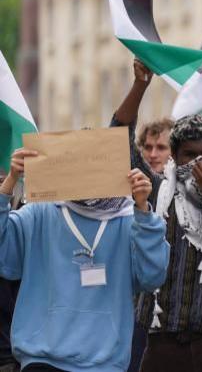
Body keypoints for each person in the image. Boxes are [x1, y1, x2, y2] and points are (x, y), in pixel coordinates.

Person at [0, 147, 169, 372]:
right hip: (42, 359)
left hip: (105, 363)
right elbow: (4, 256)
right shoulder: (39, 212)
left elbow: (152, 277)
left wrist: (143, 210)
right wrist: (10, 182)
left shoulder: (132, 222)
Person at [134, 114, 202, 372]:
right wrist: (140, 85)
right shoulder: (159, 190)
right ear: (176, 156)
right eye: (189, 155)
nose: (199, 163)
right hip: (163, 338)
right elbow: (124, 146)